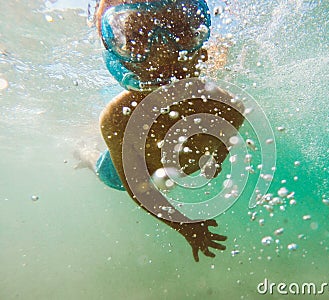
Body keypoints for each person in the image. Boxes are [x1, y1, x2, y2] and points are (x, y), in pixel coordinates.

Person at [77, 0, 244, 262]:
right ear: (111, 50)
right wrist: (184, 226)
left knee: (165, 180)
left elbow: (237, 113)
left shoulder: (217, 100)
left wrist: (219, 156)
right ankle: (86, 155)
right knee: (102, 172)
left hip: (168, 169)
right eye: (136, 37)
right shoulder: (117, 120)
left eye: (180, 29)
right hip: (120, 174)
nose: (163, 52)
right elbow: (139, 188)